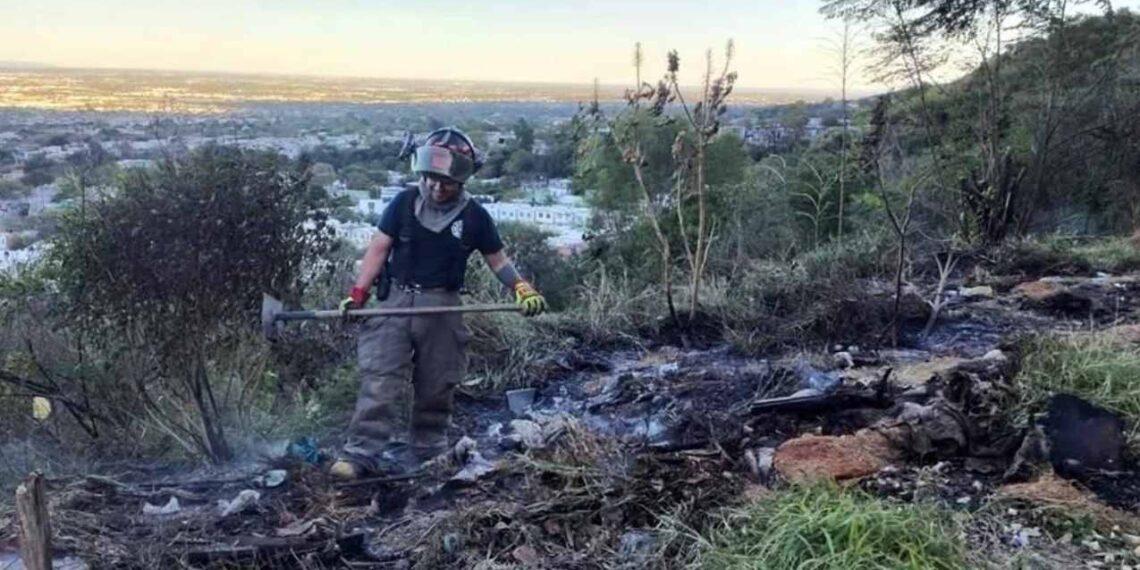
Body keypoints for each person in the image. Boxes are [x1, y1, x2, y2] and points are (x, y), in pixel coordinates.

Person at [330, 127, 547, 479]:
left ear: (461, 180)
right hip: (395, 301)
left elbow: (498, 261)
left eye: (445, 181)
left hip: (443, 305)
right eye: (430, 178)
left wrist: (522, 288)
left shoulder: (475, 216)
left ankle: (428, 451)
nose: (436, 187)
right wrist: (358, 294)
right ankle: (359, 454)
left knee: (438, 382)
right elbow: (378, 248)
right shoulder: (402, 203)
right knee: (380, 381)